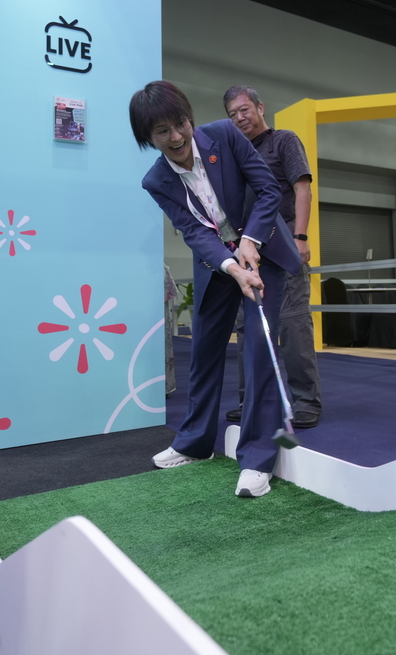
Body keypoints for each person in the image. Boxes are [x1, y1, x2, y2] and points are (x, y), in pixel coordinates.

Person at [129, 81, 301, 497]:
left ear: (190, 118)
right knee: (204, 348)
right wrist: (231, 266)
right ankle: (195, 443)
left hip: (263, 252)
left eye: (180, 124)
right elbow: (193, 231)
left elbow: (269, 189)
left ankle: (257, 458)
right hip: (218, 264)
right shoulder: (156, 181)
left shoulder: (224, 134)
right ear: (148, 138)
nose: (176, 137)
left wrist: (250, 241)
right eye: (162, 132)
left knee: (257, 347)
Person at [222, 85, 322, 428]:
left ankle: (305, 400)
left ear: (260, 107)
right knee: (248, 328)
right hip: (247, 252)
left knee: (293, 324)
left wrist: (300, 238)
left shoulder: (283, 141)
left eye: (244, 110)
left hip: (284, 245)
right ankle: (251, 399)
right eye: (232, 114)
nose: (240, 118)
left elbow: (302, 188)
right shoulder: (234, 152)